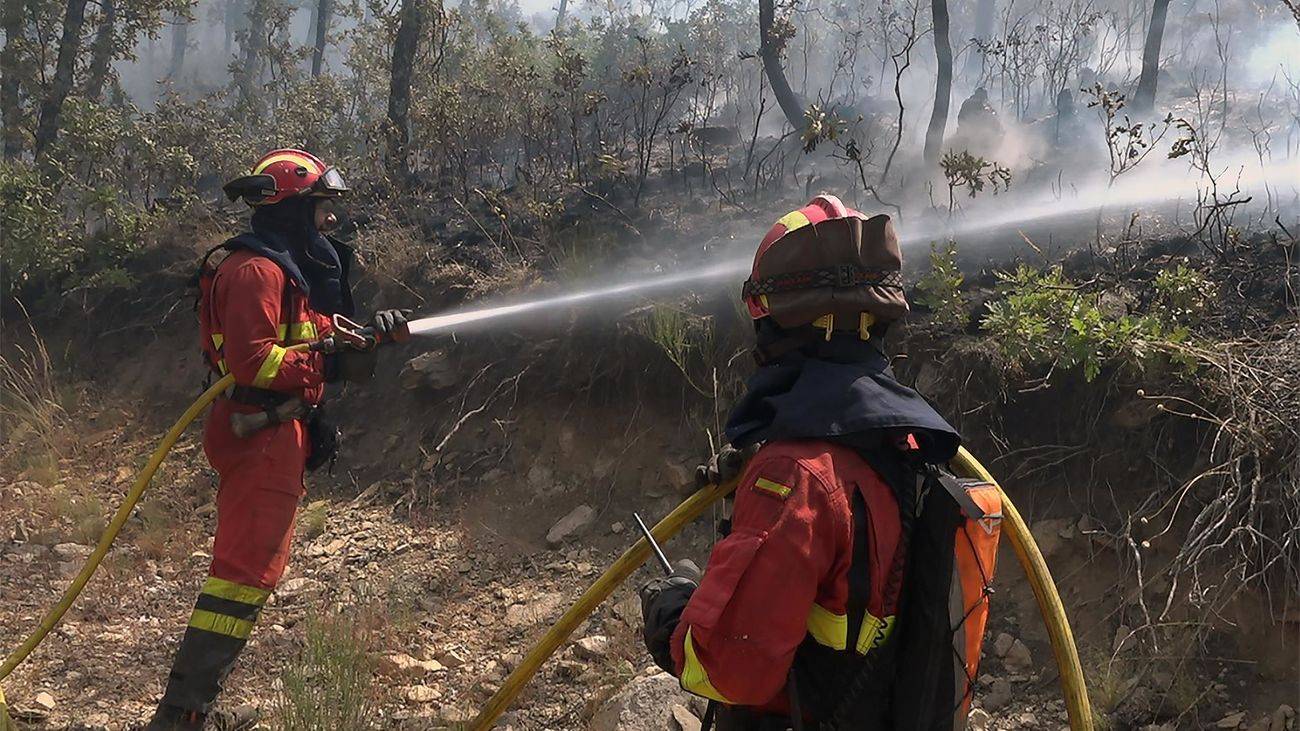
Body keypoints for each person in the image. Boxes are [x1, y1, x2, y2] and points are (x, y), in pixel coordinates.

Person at [640, 195, 998, 730]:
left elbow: (729, 669)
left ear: (774, 327)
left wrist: (671, 612)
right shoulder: (909, 443)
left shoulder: (797, 479)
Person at [143, 149, 407, 731]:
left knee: (250, 571)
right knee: (242, 576)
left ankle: (190, 708)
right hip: (256, 432)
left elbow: (308, 333)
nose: (330, 222)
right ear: (291, 209)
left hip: (271, 430)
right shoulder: (256, 271)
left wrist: (363, 335)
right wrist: (326, 357)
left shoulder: (280, 268)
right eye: (320, 209)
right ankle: (182, 715)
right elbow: (254, 362)